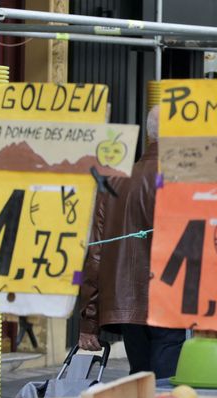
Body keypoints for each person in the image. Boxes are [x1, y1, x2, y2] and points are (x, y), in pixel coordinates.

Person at [78, 106, 186, 378]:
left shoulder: (116, 180)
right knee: (166, 388)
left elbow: (97, 253)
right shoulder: (186, 182)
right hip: (172, 300)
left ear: (151, 136)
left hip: (127, 302)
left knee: (140, 378)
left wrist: (89, 319)